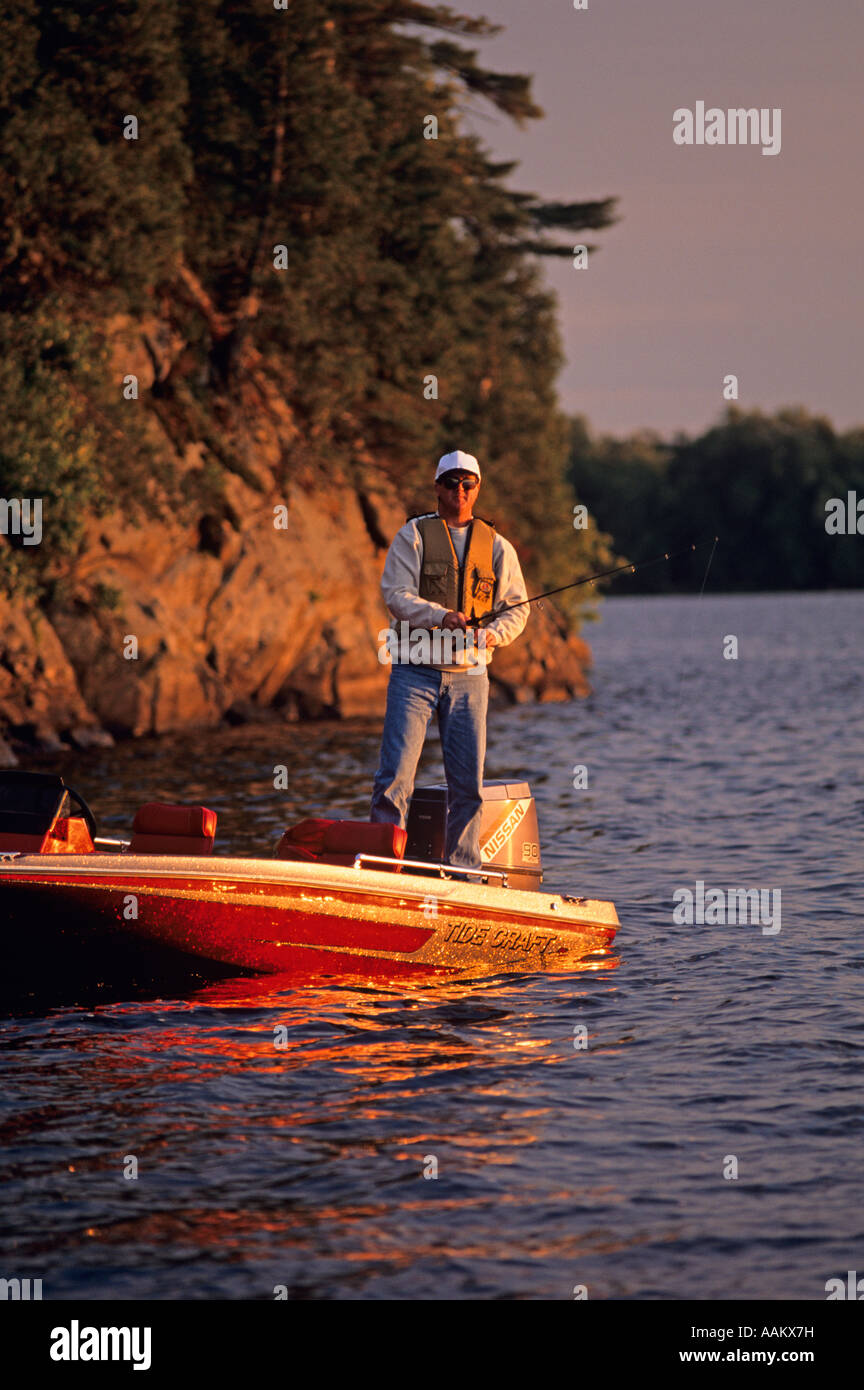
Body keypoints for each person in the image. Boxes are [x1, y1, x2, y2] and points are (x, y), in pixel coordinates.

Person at [370, 449, 529, 868]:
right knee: (395, 779)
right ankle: (387, 865)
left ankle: (465, 872)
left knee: (468, 787)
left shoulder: (497, 545)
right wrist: (442, 616)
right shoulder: (414, 536)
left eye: (468, 484)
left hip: (470, 676)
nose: (460, 491)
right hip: (414, 674)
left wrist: (495, 633)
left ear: (477, 489)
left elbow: (518, 606)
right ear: (437, 488)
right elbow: (396, 596)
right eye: (452, 483)